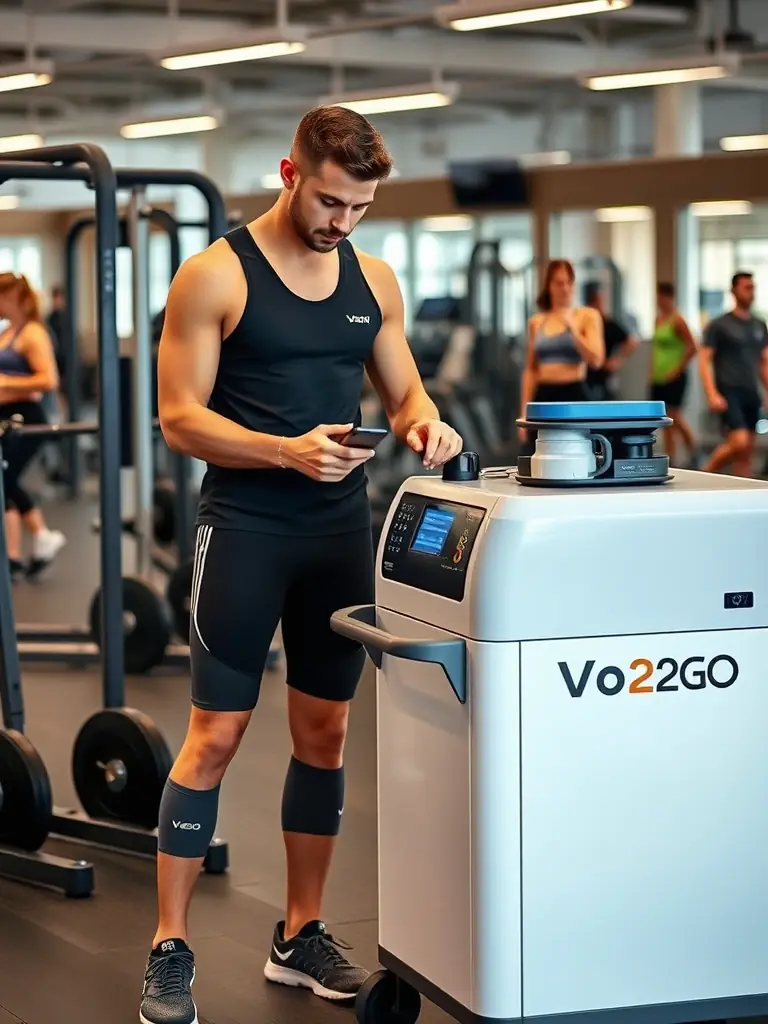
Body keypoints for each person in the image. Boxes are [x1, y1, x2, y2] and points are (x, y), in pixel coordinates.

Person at [140, 105, 463, 1024]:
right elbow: (179, 418)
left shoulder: (373, 277)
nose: (341, 222)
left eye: (358, 207)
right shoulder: (214, 276)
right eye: (329, 201)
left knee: (325, 738)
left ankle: (300, 934)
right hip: (244, 526)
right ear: (290, 171)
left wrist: (421, 425)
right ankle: (170, 946)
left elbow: (403, 388)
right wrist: (284, 451)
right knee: (216, 738)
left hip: (337, 534)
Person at [0, 273, 66, 580]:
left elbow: (48, 380)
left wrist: (7, 382)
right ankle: (13, 554)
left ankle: (41, 534)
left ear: (18, 299)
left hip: (27, 417)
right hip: (7, 418)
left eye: (2, 295)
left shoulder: (33, 334)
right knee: (4, 481)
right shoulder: (8, 333)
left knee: (4, 476)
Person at [519, 259, 604, 447]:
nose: (565, 288)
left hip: (574, 393)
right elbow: (531, 370)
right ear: (549, 286)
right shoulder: (537, 321)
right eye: (559, 283)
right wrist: (524, 411)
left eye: (569, 282)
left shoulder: (587, 316)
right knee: (537, 453)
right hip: (544, 395)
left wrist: (573, 331)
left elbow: (596, 360)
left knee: (578, 452)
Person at [700, 271, 768, 477]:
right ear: (733, 291)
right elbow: (704, 360)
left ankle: (742, 494)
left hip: (751, 392)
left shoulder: (759, 325)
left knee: (746, 452)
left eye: (753, 287)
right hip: (729, 391)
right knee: (739, 441)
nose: (751, 292)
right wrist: (711, 393)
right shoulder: (720, 325)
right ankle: (704, 473)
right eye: (746, 287)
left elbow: (764, 362)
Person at [650, 282, 698, 466]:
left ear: (668, 297)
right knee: (663, 420)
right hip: (659, 377)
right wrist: (652, 372)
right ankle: (672, 458)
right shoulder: (658, 320)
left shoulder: (678, 320)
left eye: (661, 297)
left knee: (674, 417)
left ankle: (691, 447)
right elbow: (656, 350)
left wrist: (676, 369)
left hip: (675, 377)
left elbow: (692, 347)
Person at [582, 280, 639, 400]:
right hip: (586, 377)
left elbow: (632, 341)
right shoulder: (583, 325)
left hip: (604, 378)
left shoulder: (609, 324)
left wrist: (618, 359)